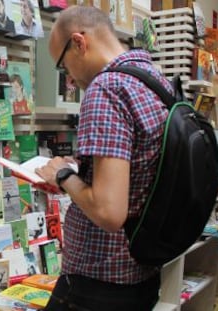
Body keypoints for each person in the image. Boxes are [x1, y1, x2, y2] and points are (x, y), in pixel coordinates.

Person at [35, 6, 173, 311]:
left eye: (63, 67)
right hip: (143, 273)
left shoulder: (106, 89)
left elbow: (109, 212)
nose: (69, 80)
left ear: (79, 43)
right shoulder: (153, 79)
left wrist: (63, 175)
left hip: (99, 282)